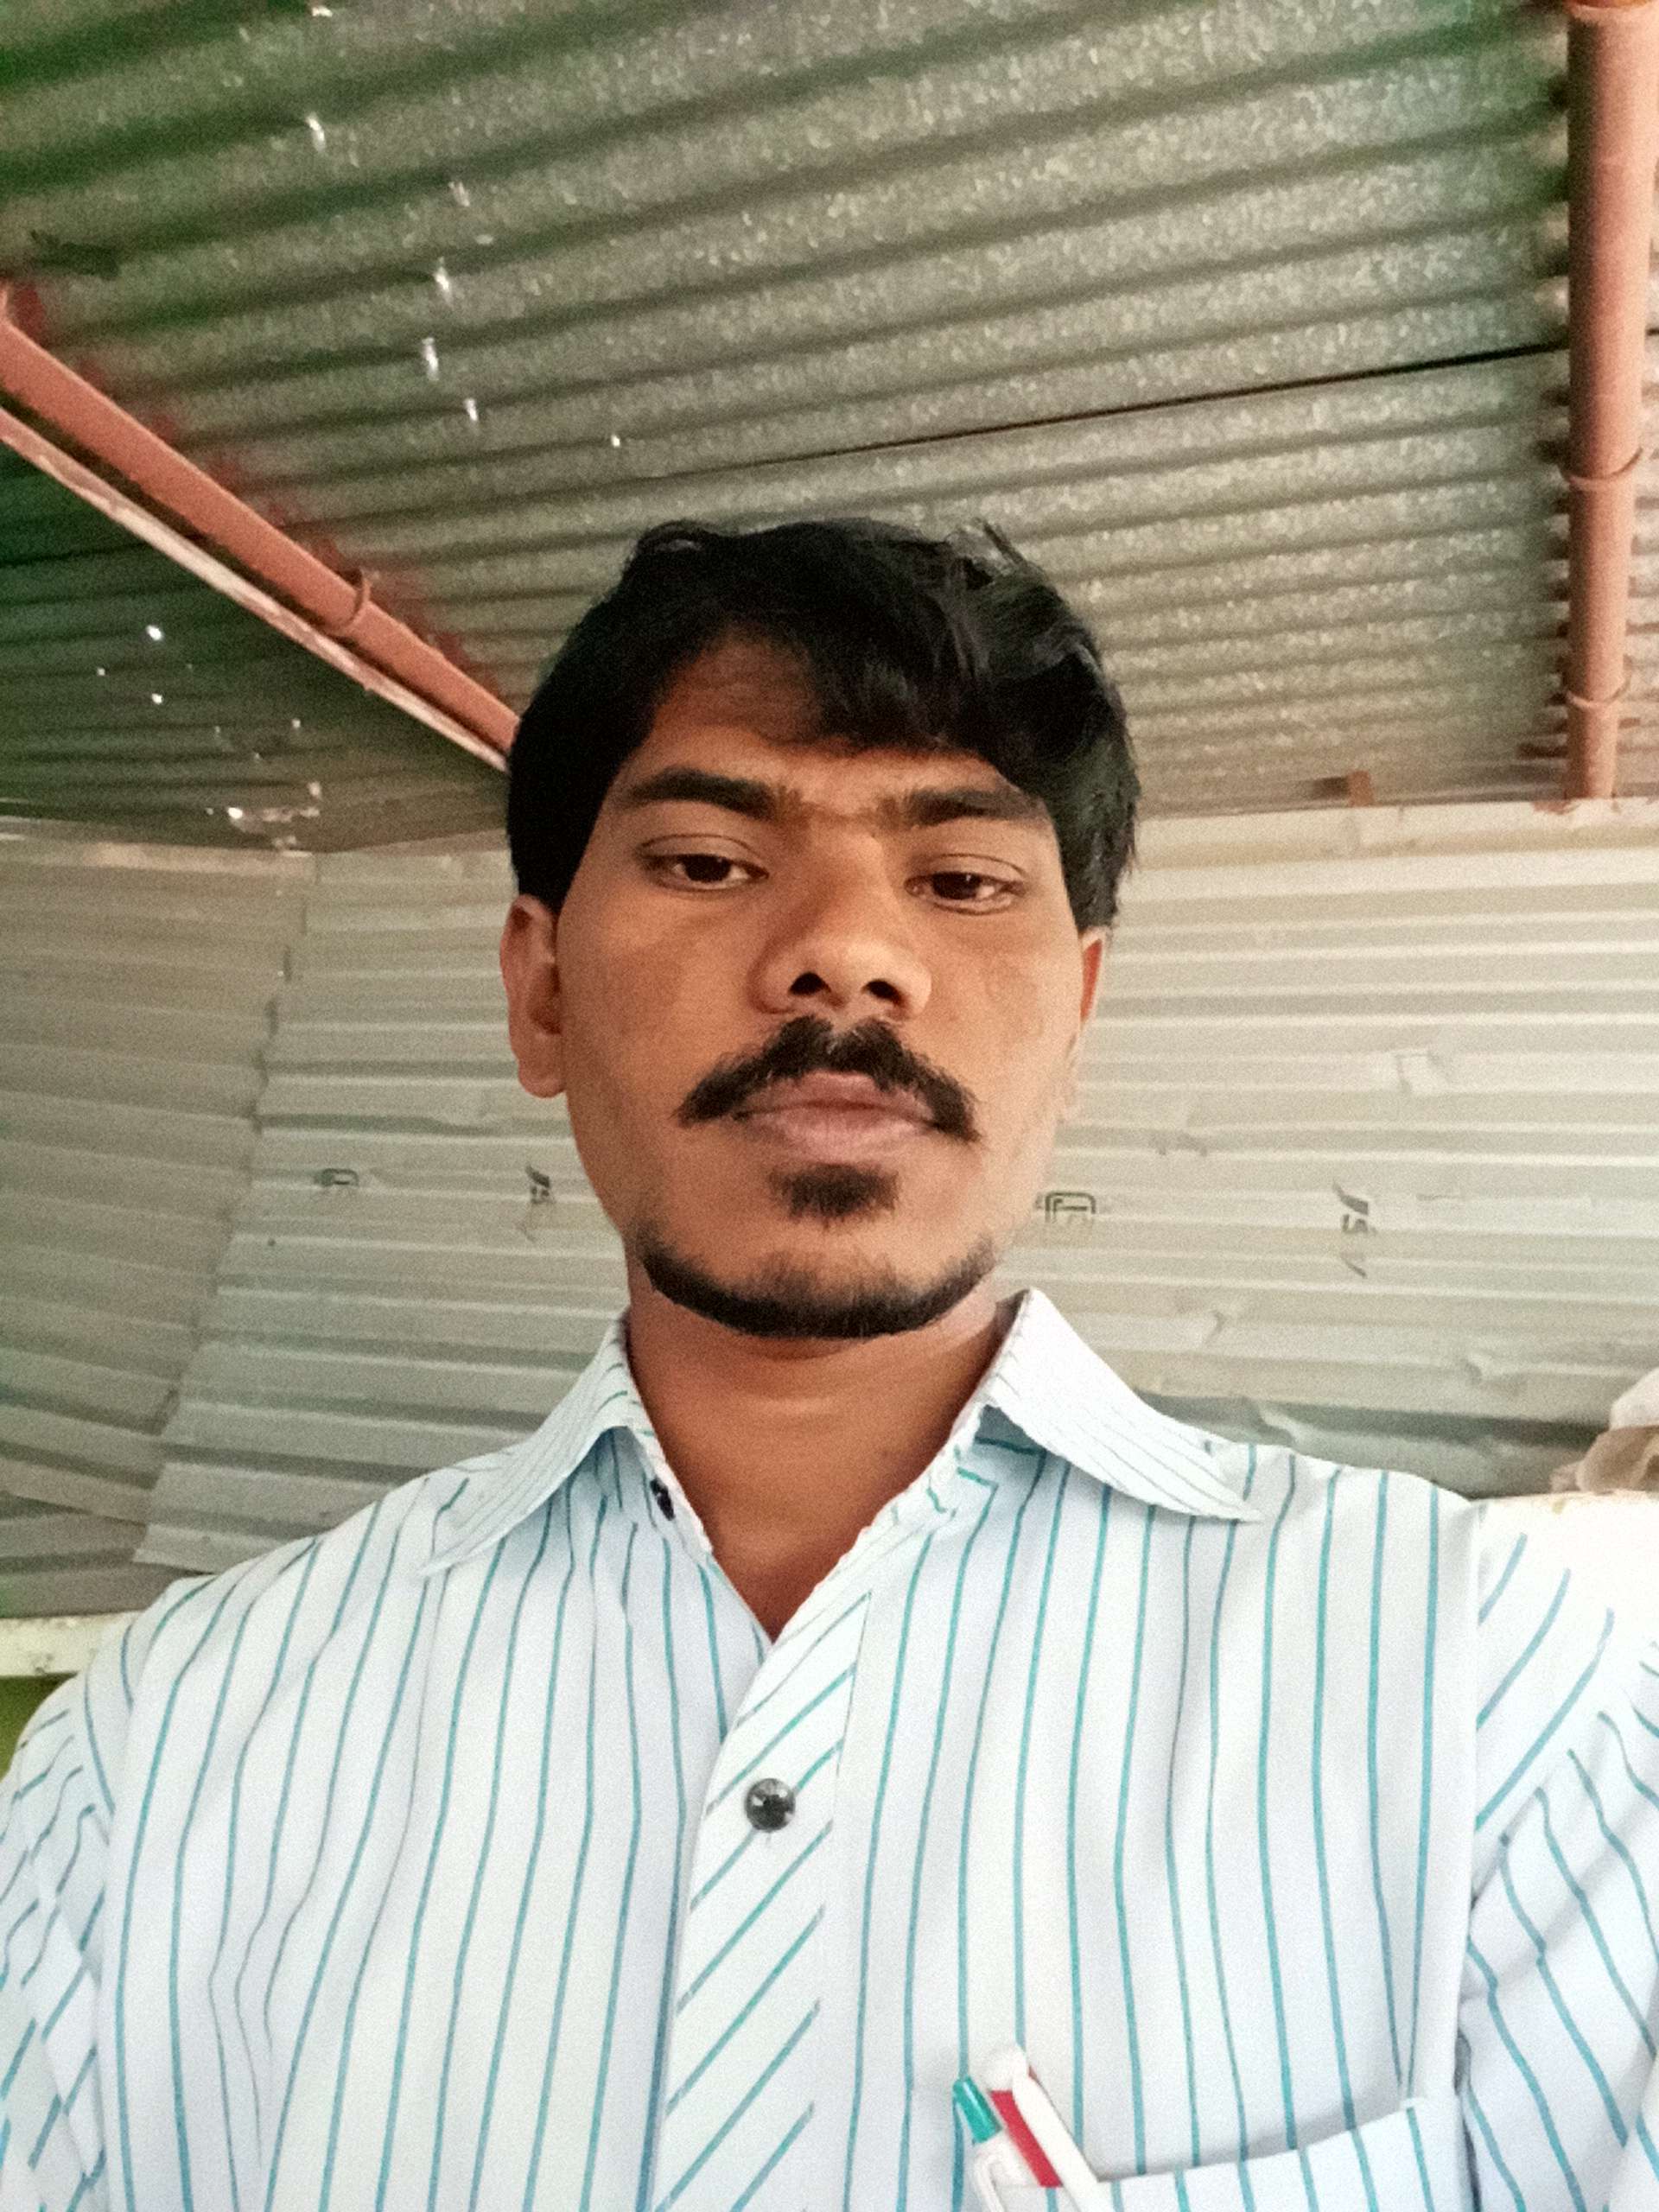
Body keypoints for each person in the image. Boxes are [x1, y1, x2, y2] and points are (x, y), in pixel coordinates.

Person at [2, 518, 1656, 2212]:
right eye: (710, 859)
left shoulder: (1485, 1693)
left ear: (1077, 1013)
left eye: (963, 879)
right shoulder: (160, 1755)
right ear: (541, 988)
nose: (846, 952)